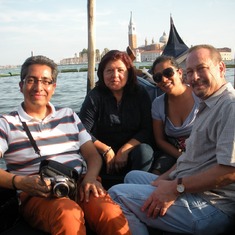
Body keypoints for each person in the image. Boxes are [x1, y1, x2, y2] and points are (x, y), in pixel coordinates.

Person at [108, 44, 235, 235]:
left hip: (210, 206)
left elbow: (230, 172)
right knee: (131, 177)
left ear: (221, 68)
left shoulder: (229, 107)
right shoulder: (207, 103)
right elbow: (189, 157)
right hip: (188, 186)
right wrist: (163, 181)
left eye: (202, 69)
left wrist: (175, 188)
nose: (194, 77)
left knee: (116, 193)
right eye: (190, 72)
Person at [0, 55, 131, 235]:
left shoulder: (68, 114)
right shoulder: (6, 123)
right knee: (67, 215)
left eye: (46, 81)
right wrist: (20, 182)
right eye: (31, 80)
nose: (39, 87)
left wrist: (91, 178)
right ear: (21, 85)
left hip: (81, 184)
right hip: (37, 194)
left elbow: (92, 155)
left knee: (110, 214)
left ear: (53, 87)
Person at [79, 50, 154, 185]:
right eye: (109, 71)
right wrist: (106, 149)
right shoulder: (94, 96)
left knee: (145, 152)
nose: (115, 75)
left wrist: (124, 150)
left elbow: (147, 129)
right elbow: (82, 131)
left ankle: (136, 189)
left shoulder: (139, 93)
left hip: (132, 150)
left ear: (129, 72)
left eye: (120, 70)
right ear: (102, 73)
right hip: (102, 152)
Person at [151, 55, 200, 174]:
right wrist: (181, 157)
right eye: (158, 77)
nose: (164, 79)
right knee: (155, 174)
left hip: (201, 152)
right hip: (174, 154)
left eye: (168, 72)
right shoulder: (158, 104)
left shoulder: (199, 96)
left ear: (179, 73)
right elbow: (160, 140)